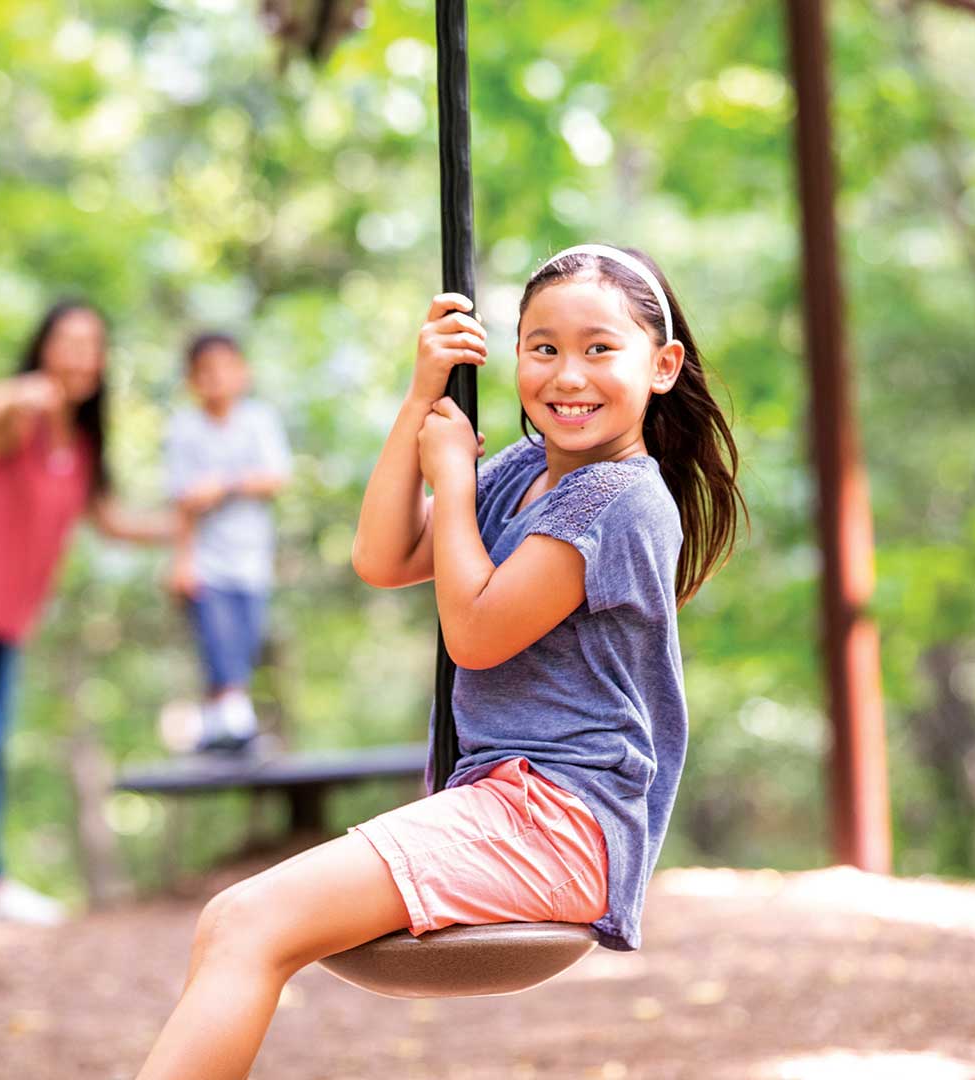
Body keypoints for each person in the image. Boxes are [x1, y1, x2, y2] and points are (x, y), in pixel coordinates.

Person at [134, 245, 743, 1079]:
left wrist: (454, 482)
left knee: (247, 922)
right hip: (504, 799)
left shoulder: (620, 499)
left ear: (662, 365)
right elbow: (384, 556)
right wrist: (422, 399)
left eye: (600, 348)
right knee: (235, 923)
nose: (569, 375)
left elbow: (478, 632)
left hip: (561, 819)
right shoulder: (529, 471)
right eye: (544, 348)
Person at [0, 300, 170, 926]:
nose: (79, 355)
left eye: (91, 345)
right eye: (67, 341)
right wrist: (28, 397)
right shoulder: (14, 417)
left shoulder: (81, 446)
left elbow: (114, 523)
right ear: (43, 348)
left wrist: (188, 526)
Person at [159, 332, 292, 753]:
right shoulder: (185, 429)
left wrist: (223, 487)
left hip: (252, 558)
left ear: (242, 373)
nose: (215, 380)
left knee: (245, 638)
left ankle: (219, 728)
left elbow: (275, 478)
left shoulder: (258, 421)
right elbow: (182, 501)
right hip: (207, 560)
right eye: (205, 372)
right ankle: (236, 723)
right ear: (192, 380)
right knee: (217, 640)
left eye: (224, 369)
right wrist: (181, 562)